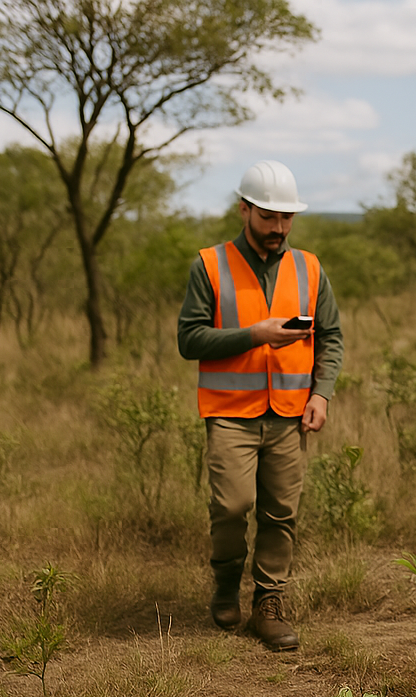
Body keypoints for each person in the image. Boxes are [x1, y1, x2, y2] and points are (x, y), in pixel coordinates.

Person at [178, 160, 344, 652]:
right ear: (244, 209)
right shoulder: (209, 265)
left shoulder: (309, 266)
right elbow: (189, 339)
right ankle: (226, 584)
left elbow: (331, 337)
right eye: (268, 217)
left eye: (286, 218)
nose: (278, 228)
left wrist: (321, 393)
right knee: (232, 507)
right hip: (230, 411)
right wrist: (256, 334)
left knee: (281, 513)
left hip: (291, 413)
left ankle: (267, 605)